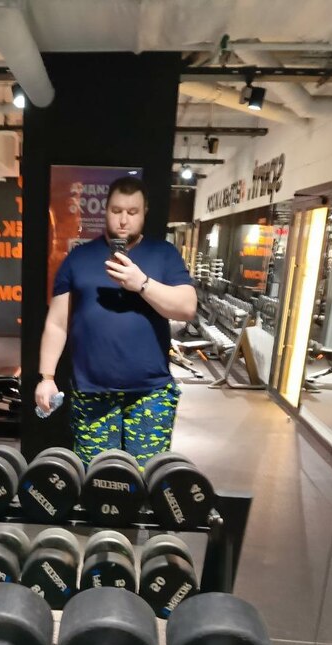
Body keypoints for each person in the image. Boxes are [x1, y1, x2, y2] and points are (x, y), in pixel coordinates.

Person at [35, 176, 197, 468]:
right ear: (105, 211)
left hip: (150, 394)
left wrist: (142, 283)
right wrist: (47, 378)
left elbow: (187, 308)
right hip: (92, 393)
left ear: (144, 212)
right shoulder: (79, 258)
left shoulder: (163, 255)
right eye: (116, 210)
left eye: (132, 212)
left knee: (146, 478)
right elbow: (57, 323)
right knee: (96, 479)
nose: (123, 220)